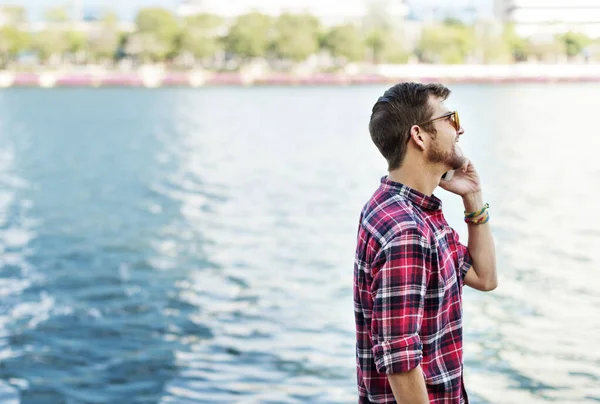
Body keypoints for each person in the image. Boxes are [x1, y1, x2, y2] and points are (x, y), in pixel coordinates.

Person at [354, 82, 497, 404]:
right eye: (450, 119)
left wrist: (473, 196)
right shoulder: (407, 230)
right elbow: (399, 359)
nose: (460, 130)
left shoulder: (408, 208)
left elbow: (484, 278)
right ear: (419, 136)